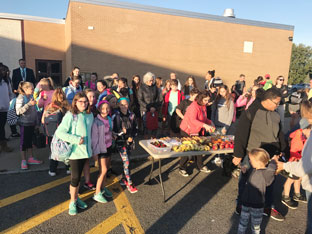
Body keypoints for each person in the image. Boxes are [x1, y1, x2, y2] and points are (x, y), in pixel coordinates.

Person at [232, 87, 287, 221]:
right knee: (245, 181)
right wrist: (238, 154)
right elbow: (241, 133)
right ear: (268, 100)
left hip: (271, 155)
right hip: (252, 154)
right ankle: (241, 204)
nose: (278, 106)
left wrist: (282, 150)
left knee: (269, 182)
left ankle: (267, 207)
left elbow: (279, 134)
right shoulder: (251, 112)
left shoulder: (276, 114)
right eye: (276, 103)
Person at [275, 100, 312, 233]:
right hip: (295, 158)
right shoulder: (299, 135)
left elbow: (304, 167)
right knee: (292, 179)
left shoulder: (308, 137)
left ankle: (295, 194)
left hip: (298, 163)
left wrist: (283, 165)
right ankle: (286, 195)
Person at [54, 92, 94, 215]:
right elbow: (60, 132)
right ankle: (72, 202)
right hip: (75, 153)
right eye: (81, 101)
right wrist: (76, 140)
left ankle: (76, 198)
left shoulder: (90, 115)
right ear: (75, 102)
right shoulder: (70, 115)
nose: (84, 103)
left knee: (79, 177)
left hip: (86, 152)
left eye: (85, 101)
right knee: (75, 178)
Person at [237, 148, 277, 234]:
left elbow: (272, 169)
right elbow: (248, 180)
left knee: (255, 225)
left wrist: (274, 161)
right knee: (242, 222)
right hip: (246, 202)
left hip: (257, 205)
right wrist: (244, 173)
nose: (250, 162)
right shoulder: (253, 169)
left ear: (258, 161)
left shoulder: (266, 174)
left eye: (251, 160)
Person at [179, 91, 215, 176]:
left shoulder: (203, 106)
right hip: (187, 130)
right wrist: (204, 125)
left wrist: (210, 122)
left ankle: (200, 165)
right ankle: (182, 167)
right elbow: (193, 120)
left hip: (196, 130)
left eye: (208, 100)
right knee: (187, 149)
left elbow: (204, 118)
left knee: (199, 147)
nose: (207, 102)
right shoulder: (193, 107)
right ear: (200, 99)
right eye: (205, 100)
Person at [281, 125, 311, 209]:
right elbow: (294, 151)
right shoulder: (298, 137)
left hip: (299, 161)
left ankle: (297, 194)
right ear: (307, 129)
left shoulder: (304, 136)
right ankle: (285, 196)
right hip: (294, 161)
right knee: (290, 179)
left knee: (298, 178)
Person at [42, 88, 70, 176]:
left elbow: (43, 120)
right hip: (64, 133)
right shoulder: (66, 106)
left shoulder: (49, 106)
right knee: (67, 150)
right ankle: (68, 168)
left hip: (51, 133)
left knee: (53, 152)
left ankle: (52, 170)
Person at [113, 98, 138, 193]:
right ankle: (129, 183)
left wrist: (131, 136)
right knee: (126, 162)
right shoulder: (116, 116)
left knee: (128, 161)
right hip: (120, 142)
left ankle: (124, 178)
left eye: (126, 104)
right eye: (122, 105)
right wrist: (121, 132)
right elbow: (113, 131)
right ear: (119, 105)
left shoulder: (132, 115)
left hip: (130, 142)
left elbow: (136, 128)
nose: (124, 106)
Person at [16, 81, 42, 170]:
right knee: (23, 142)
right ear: (25, 89)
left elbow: (34, 110)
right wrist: (28, 104)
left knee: (30, 141)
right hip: (24, 123)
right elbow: (18, 111)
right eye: (31, 88)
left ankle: (30, 158)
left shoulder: (30, 96)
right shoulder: (20, 97)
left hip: (31, 122)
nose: (33, 90)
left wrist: (37, 122)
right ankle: (23, 160)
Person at [91, 100, 113, 203]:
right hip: (100, 149)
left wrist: (113, 136)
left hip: (108, 146)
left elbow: (109, 131)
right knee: (103, 170)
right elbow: (94, 139)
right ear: (99, 109)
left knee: (106, 169)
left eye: (107, 108)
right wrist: (95, 154)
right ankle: (97, 193)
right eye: (103, 108)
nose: (105, 110)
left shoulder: (109, 119)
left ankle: (103, 188)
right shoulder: (96, 121)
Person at [0, 64, 14, 152]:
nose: (5, 72)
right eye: (2, 70)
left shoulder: (6, 81)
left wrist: (12, 104)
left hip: (4, 108)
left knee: (1, 127)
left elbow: (10, 93)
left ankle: (4, 145)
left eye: (5, 70)